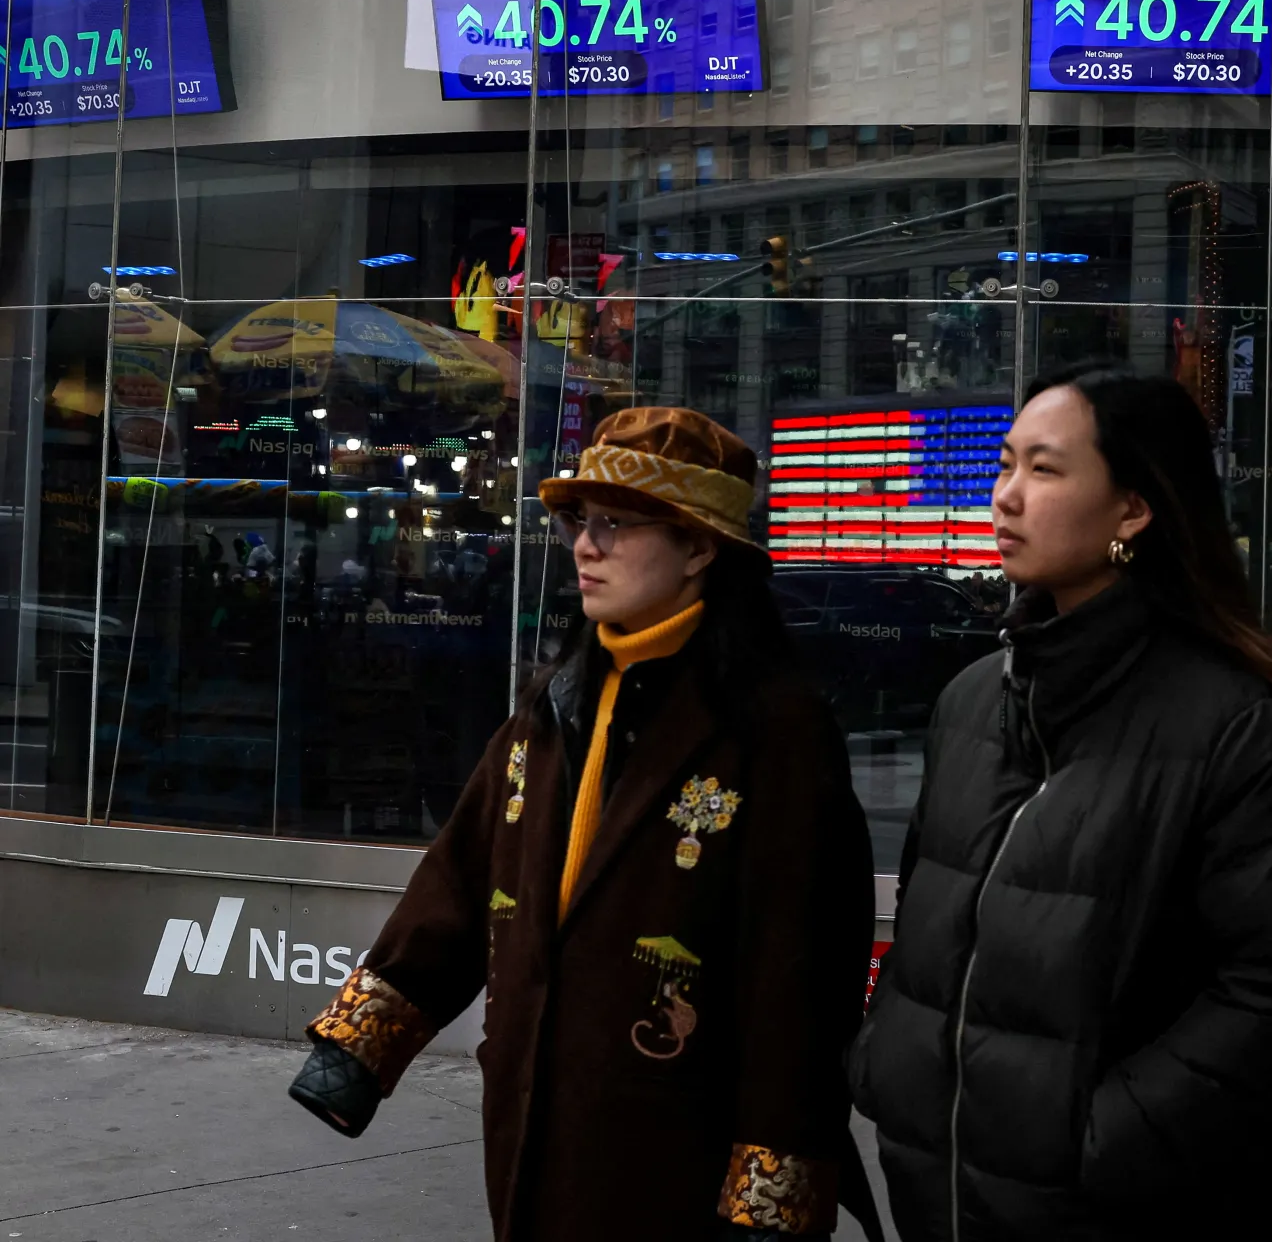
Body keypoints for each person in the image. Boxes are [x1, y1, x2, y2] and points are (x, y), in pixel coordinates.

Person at [287, 408, 877, 1242]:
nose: (586, 547)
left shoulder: (773, 732)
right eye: (580, 522)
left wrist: (772, 1190)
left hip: (675, 1147)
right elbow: (460, 881)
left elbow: (801, 981)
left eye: (616, 525)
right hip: (530, 1117)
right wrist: (358, 1048)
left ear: (699, 549)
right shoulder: (556, 702)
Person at [851, 366, 1272, 1241]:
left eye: (1044, 470)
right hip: (940, 1198)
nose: (1006, 496)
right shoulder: (972, 701)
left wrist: (1090, 1143)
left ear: (1134, 510)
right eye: (1005, 465)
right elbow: (932, 928)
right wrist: (888, 1068)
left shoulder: (1241, 727)